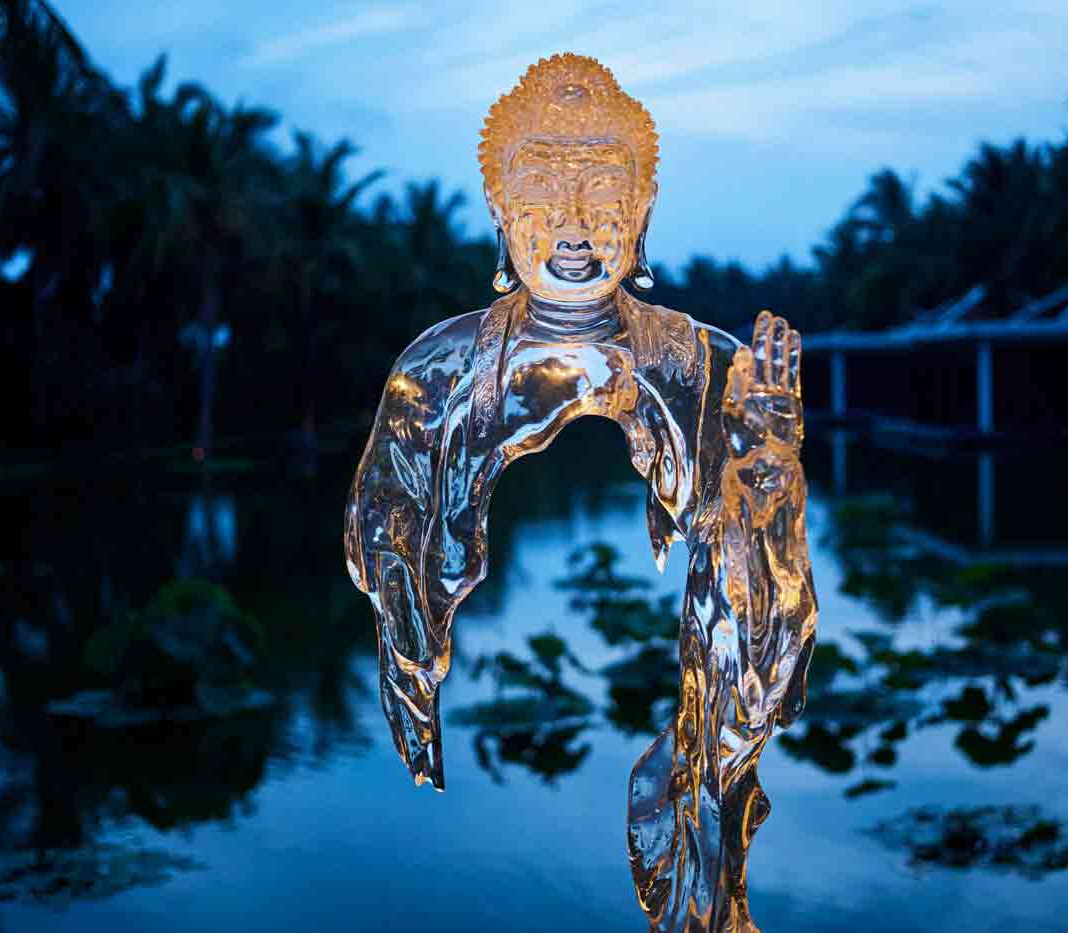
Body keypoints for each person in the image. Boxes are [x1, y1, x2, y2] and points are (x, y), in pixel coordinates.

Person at [345, 53, 818, 931]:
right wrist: (408, 635)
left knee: (711, 824)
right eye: (542, 191)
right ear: (498, 208)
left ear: (644, 211)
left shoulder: (710, 370)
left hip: (711, 735)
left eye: (603, 192)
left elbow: (768, 635)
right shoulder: (436, 372)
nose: (573, 225)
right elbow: (384, 535)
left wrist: (769, 481)